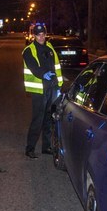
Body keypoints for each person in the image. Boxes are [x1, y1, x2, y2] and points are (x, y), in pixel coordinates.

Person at [22, 23, 63, 159]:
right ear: (34, 36)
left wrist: (58, 84)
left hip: (52, 88)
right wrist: (43, 74)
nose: (41, 37)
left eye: (43, 34)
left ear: (45, 34)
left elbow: (56, 66)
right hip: (39, 90)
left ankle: (46, 147)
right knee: (37, 120)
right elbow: (33, 66)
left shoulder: (50, 47)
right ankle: (30, 148)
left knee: (48, 119)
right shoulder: (29, 50)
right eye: (38, 35)